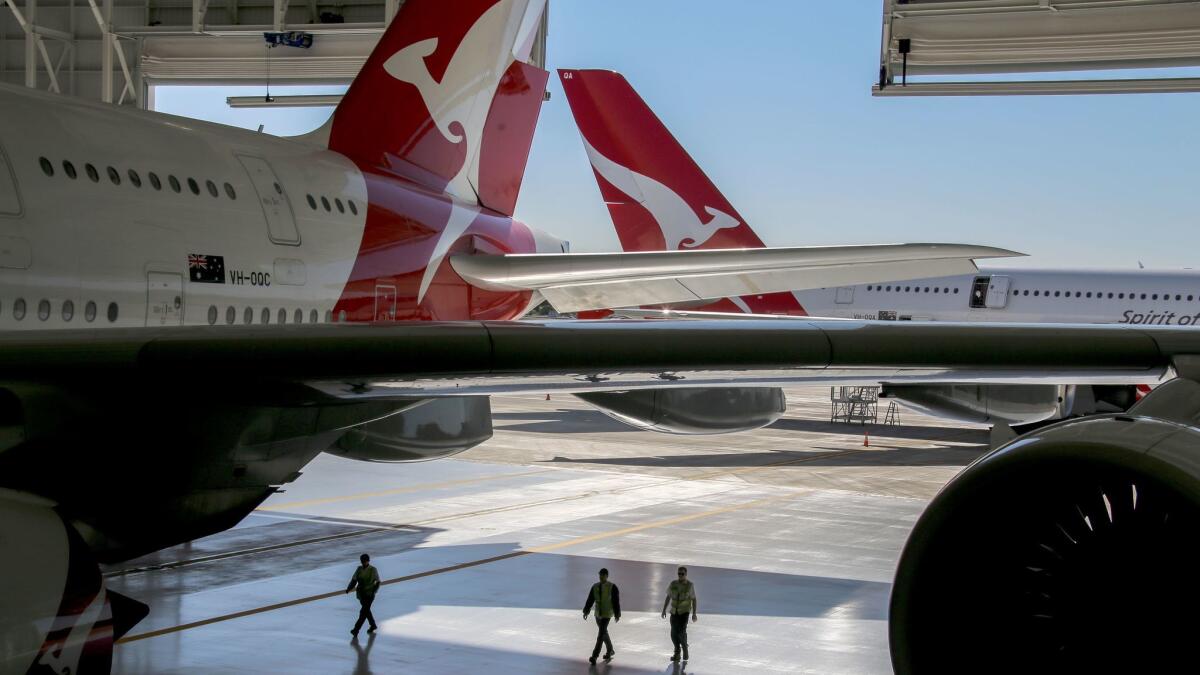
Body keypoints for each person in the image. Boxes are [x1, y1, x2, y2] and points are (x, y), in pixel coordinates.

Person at [582, 567, 621, 664]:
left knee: (600, 635)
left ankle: (594, 656)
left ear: (607, 576)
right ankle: (610, 650)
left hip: (606, 615)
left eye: (603, 575)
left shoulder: (612, 587)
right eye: (600, 575)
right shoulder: (595, 586)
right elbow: (590, 599)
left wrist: (617, 614)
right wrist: (586, 611)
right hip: (598, 615)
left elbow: (616, 601)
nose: (601, 577)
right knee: (604, 633)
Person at [661, 566, 698, 662]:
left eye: (682, 574)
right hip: (674, 612)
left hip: (684, 613)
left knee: (681, 633)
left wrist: (694, 613)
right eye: (679, 573)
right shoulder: (673, 584)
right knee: (673, 634)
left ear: (686, 574)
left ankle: (685, 648)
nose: (680, 575)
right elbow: (668, 597)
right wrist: (664, 609)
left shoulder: (690, 585)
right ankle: (677, 653)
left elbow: (694, 599)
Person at [346, 553, 381, 636]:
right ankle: (373, 625)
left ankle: (356, 629)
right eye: (362, 562)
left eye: (365, 561)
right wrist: (349, 588)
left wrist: (374, 592)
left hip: (369, 595)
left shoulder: (373, 570)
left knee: (363, 612)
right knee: (367, 611)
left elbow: (378, 582)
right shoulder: (359, 569)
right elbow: (354, 580)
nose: (364, 563)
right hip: (361, 595)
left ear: (368, 561)